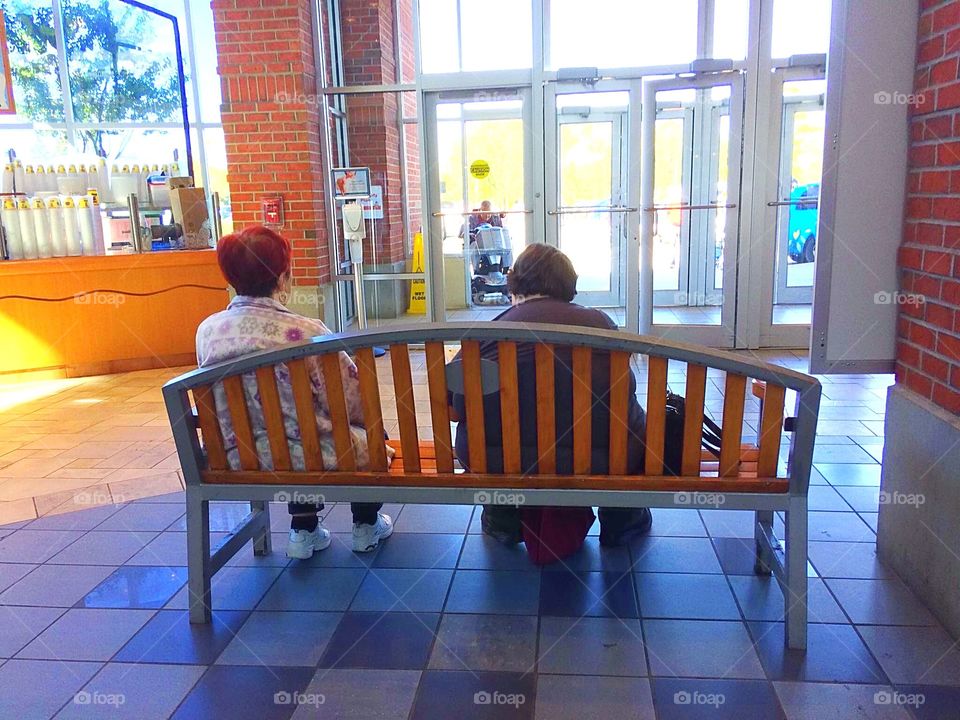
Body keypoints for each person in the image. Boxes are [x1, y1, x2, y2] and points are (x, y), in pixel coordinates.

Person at [195, 225, 393, 559]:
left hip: (236, 455)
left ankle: (303, 529)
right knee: (358, 432)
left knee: (292, 431)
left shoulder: (208, 331)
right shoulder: (308, 332)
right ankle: (365, 524)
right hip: (314, 454)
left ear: (230, 278)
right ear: (283, 278)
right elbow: (353, 401)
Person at [450, 243, 652, 547]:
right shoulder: (600, 324)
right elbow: (623, 390)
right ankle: (622, 520)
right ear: (568, 282)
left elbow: (454, 404)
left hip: (496, 459)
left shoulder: (492, 331)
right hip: (601, 458)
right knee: (630, 429)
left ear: (516, 281)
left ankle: (502, 517)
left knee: (486, 433)